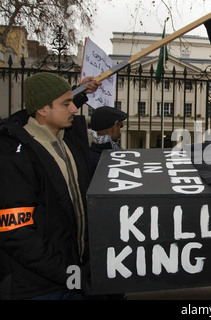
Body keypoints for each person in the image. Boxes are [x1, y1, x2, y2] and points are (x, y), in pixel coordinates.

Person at [0, 73, 100, 300]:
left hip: (73, 275)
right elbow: (16, 233)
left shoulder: (68, 139)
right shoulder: (15, 156)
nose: (74, 109)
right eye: (66, 104)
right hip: (39, 287)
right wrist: (67, 274)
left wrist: (81, 92)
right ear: (43, 110)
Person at [88, 106, 127, 176]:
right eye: (120, 125)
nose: (120, 130)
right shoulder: (110, 156)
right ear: (114, 127)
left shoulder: (86, 151)